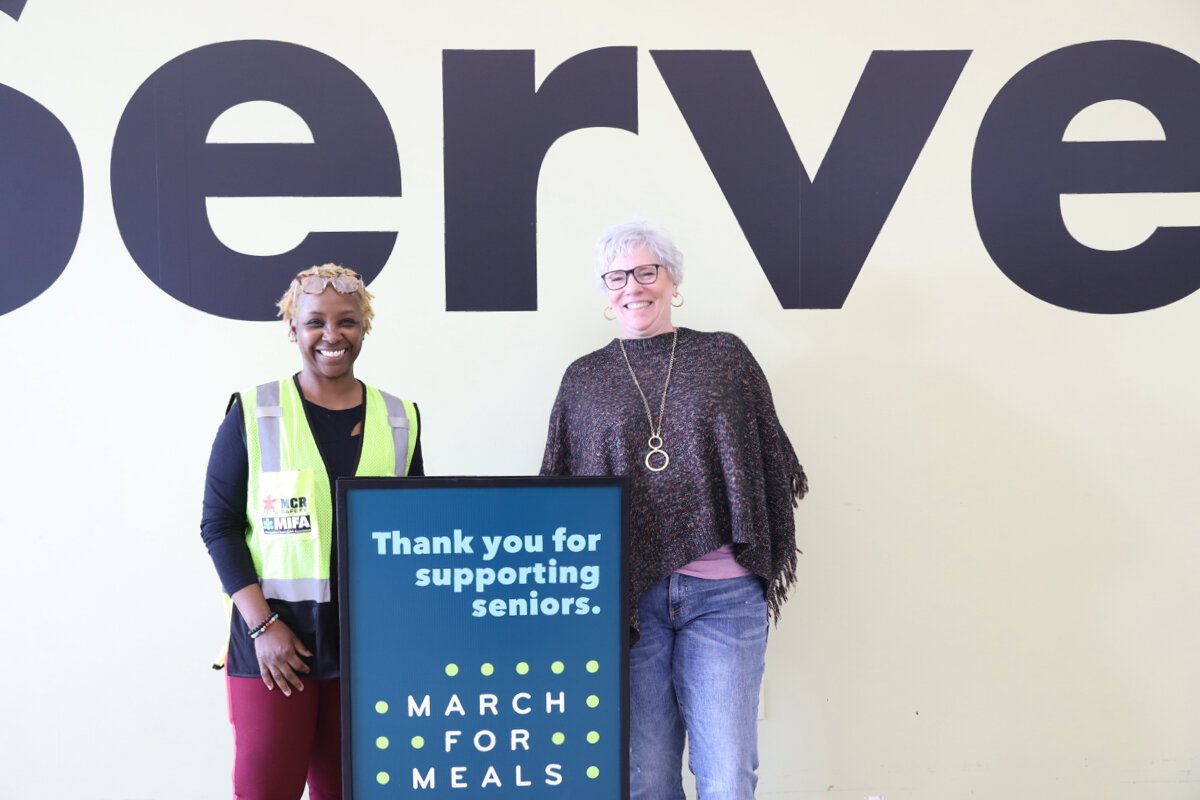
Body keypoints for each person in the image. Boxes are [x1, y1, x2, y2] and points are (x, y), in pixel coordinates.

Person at [540, 219, 807, 800]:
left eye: (646, 271)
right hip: (627, 605)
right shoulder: (584, 380)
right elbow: (559, 495)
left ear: (672, 279)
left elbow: (765, 462)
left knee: (729, 776)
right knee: (644, 779)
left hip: (724, 597)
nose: (633, 286)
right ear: (605, 291)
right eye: (618, 276)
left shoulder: (724, 356)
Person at [200, 264, 423, 800]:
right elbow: (219, 525)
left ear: (364, 327)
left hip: (364, 650)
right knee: (264, 791)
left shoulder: (401, 419)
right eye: (315, 322)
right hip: (276, 650)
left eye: (346, 321)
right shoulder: (254, 413)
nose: (331, 335)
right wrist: (263, 629)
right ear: (292, 328)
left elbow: (416, 534)